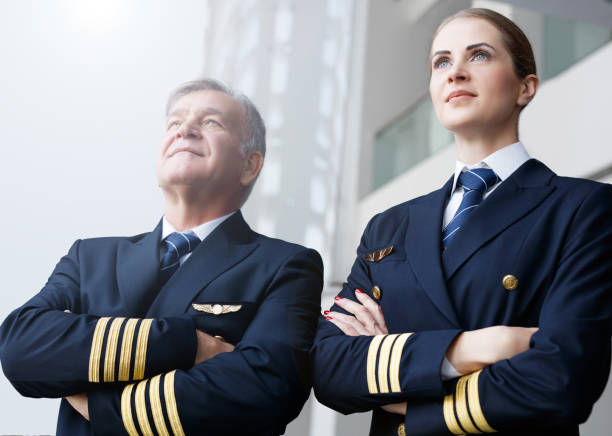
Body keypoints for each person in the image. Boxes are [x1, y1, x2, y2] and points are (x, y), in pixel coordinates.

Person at [311, 8, 611, 436]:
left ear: (525, 88)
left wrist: (403, 392)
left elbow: (560, 380)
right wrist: (476, 346)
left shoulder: (584, 208)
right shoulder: (389, 225)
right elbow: (328, 368)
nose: (456, 73)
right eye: (442, 62)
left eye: (480, 56)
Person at [0, 78, 323, 436]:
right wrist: (190, 343)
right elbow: (20, 346)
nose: (185, 129)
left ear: (250, 165)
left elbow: (265, 390)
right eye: (174, 122)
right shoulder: (90, 257)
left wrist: (97, 400)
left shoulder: (285, 265)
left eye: (211, 122)